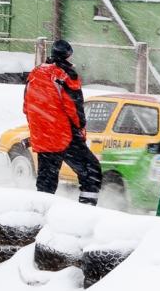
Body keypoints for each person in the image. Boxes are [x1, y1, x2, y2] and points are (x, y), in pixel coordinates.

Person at [23, 40, 102, 204]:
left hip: (42, 134)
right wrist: (80, 128)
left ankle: (41, 213)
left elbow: (26, 107)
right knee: (91, 170)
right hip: (64, 134)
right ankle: (86, 209)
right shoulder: (66, 75)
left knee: (47, 179)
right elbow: (74, 107)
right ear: (68, 54)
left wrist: (38, 127)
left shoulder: (35, 74)